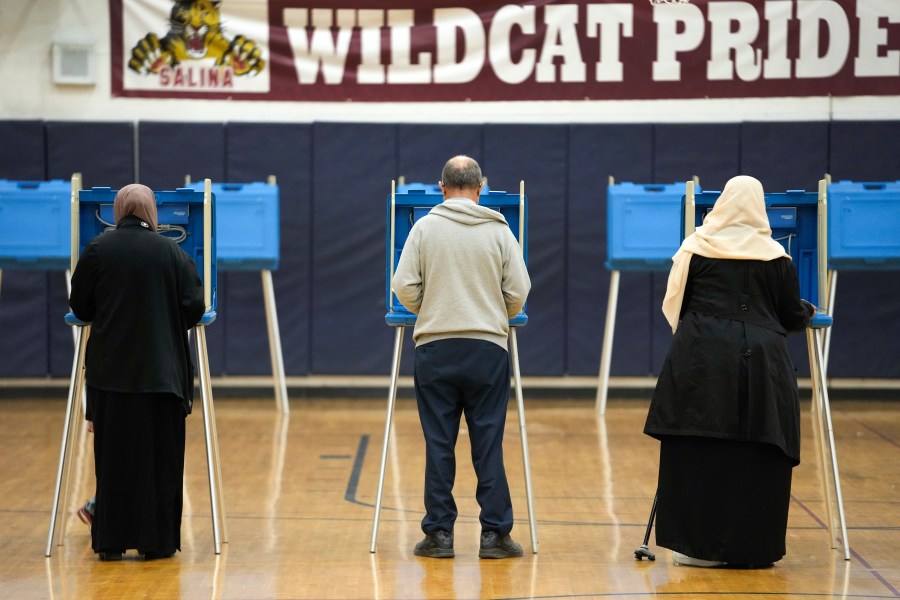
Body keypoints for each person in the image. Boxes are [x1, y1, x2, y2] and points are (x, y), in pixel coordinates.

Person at [644, 175, 815, 568]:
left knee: (698, 445)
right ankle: (752, 548)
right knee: (757, 449)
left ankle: (695, 548)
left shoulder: (696, 249)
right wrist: (804, 311)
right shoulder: (777, 257)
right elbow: (790, 316)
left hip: (701, 357)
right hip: (764, 362)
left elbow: (676, 304)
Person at [391, 155, 531, 559]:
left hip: (435, 347)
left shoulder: (424, 229)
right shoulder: (500, 231)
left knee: (439, 443)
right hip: (487, 347)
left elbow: (403, 286)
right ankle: (494, 536)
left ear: (442, 187)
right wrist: (492, 314)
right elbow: (518, 291)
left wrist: (431, 308)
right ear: (480, 187)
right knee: (488, 442)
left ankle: (438, 536)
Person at [69, 183, 205, 561]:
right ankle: (157, 543)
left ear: (117, 210)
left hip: (110, 378)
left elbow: (80, 306)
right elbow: (195, 308)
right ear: (150, 212)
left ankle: (110, 542)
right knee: (161, 461)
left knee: (112, 462)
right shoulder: (173, 253)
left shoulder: (98, 249)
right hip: (162, 377)